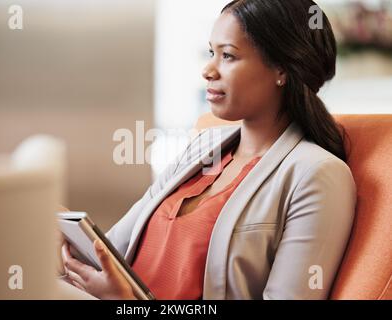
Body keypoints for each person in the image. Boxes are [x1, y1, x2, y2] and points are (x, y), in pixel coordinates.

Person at [60, 0, 357, 300]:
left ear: (281, 69)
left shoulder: (317, 175)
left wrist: (126, 303)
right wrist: (67, 239)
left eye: (228, 55)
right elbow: (111, 251)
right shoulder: (203, 147)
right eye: (211, 53)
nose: (208, 70)